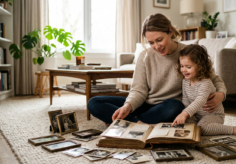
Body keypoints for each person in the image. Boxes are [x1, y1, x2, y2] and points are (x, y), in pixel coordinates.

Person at [88, 13, 227, 125]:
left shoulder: (188, 53)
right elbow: (138, 90)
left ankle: (128, 123)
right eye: (151, 42)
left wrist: (221, 94)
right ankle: (139, 122)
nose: (156, 46)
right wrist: (128, 106)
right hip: (145, 104)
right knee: (94, 102)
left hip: (168, 107)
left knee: (176, 106)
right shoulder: (145, 56)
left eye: (159, 40)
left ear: (170, 32)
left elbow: (212, 77)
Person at [171, 44, 236, 138]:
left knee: (202, 128)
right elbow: (186, 100)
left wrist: (184, 113)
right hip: (197, 116)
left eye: (188, 67)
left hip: (214, 115)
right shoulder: (185, 81)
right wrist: (187, 116)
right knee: (184, 125)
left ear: (200, 66)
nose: (184, 70)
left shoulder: (206, 83)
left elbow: (200, 101)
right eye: (182, 66)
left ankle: (232, 129)